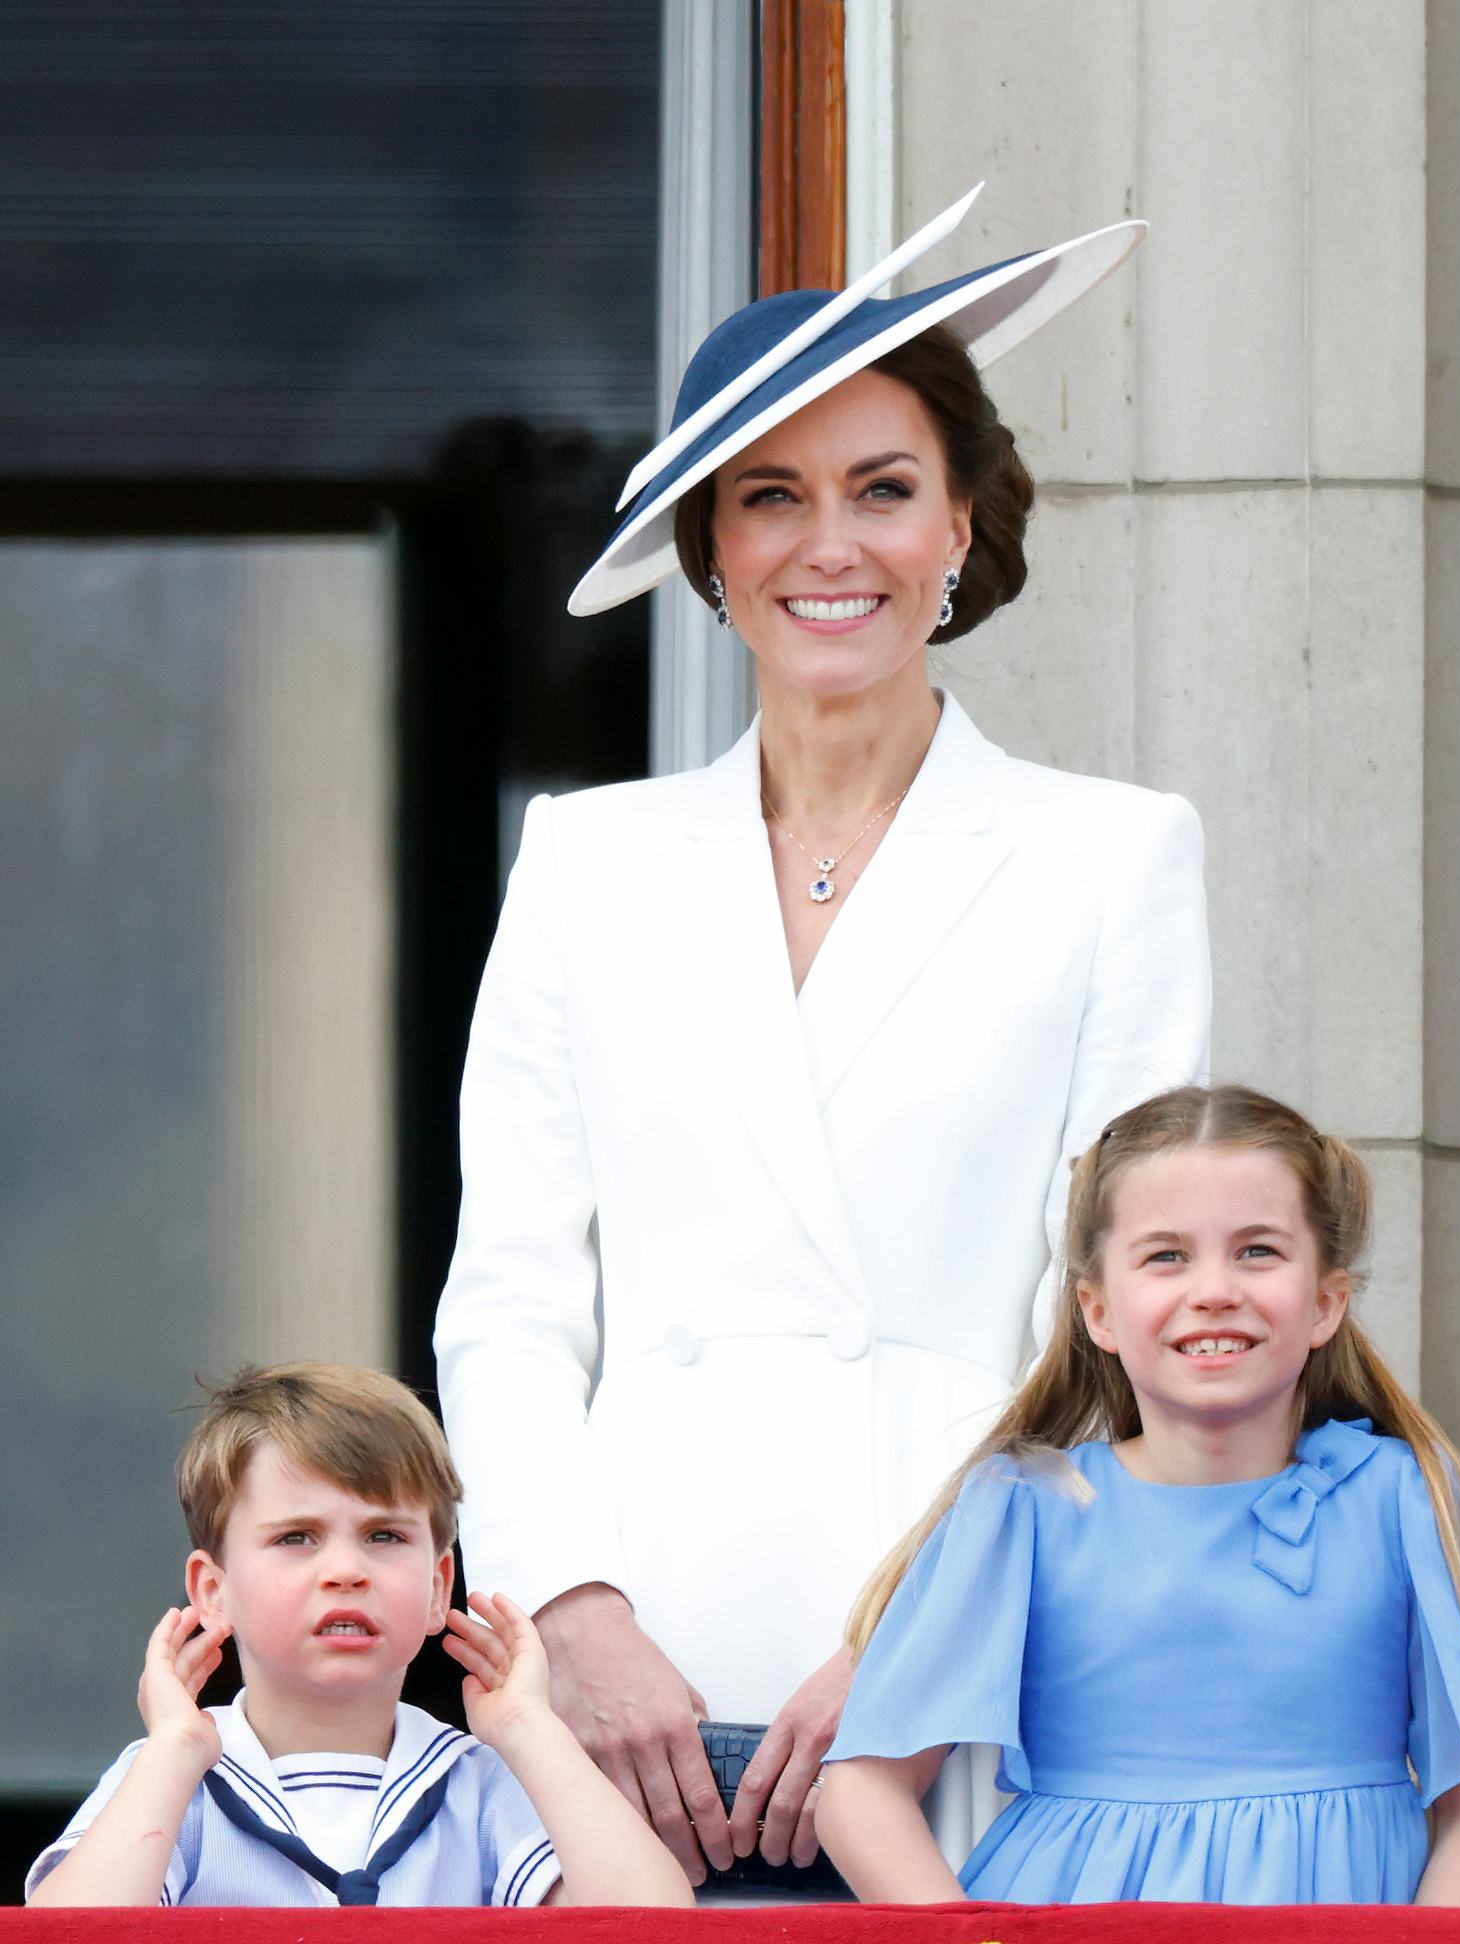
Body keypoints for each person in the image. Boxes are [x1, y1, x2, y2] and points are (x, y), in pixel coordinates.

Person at [432, 189, 1211, 1888]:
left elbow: (1122, 1309)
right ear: (710, 548)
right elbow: (507, 1300)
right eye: (769, 496)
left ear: (958, 526)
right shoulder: (585, 857)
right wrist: (569, 1614)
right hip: (617, 1700)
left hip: (953, 1698)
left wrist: (920, 1653)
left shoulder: (1111, 854)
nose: (826, 543)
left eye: (882, 488)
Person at [813, 1084, 1460, 1906]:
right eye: (1166, 1256)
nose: (1214, 1289)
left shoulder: (1408, 1499)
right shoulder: (1023, 1508)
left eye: (1257, 1251)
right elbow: (861, 1793)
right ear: (1098, 1311)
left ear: (1326, 1302)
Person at [26, 1364, 691, 1909]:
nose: (345, 1571)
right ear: (213, 1592)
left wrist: (529, 1726)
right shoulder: (177, 1778)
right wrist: (172, 1748)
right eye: (296, 1538)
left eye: (384, 1536)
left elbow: (654, 1924)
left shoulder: (480, 1785)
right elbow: (66, 1932)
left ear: (438, 1587)